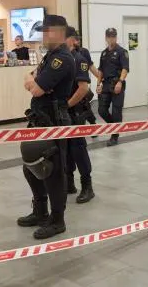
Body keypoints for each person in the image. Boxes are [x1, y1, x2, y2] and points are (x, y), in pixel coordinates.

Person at [17, 14, 76, 239]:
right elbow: (30, 79)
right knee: (30, 167)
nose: (42, 34)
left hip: (54, 121)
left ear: (58, 32)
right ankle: (40, 211)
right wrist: (33, 80)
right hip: (39, 119)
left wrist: (34, 82)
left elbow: (36, 88)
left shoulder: (62, 59)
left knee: (52, 172)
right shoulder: (50, 57)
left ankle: (57, 219)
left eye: (46, 30)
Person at [64, 26, 96, 203]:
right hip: (62, 112)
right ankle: (69, 182)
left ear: (72, 40)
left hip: (75, 110)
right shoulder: (61, 58)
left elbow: (83, 88)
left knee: (78, 148)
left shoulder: (79, 60)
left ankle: (87, 186)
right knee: (65, 148)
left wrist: (67, 105)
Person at [97, 28, 129, 146]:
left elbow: (125, 69)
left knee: (116, 111)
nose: (111, 39)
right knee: (101, 110)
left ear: (116, 37)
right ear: (106, 38)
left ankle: (114, 136)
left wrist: (120, 82)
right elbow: (100, 70)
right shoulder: (104, 53)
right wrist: (98, 84)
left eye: (113, 36)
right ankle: (115, 127)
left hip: (117, 85)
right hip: (105, 85)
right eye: (109, 36)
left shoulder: (122, 52)